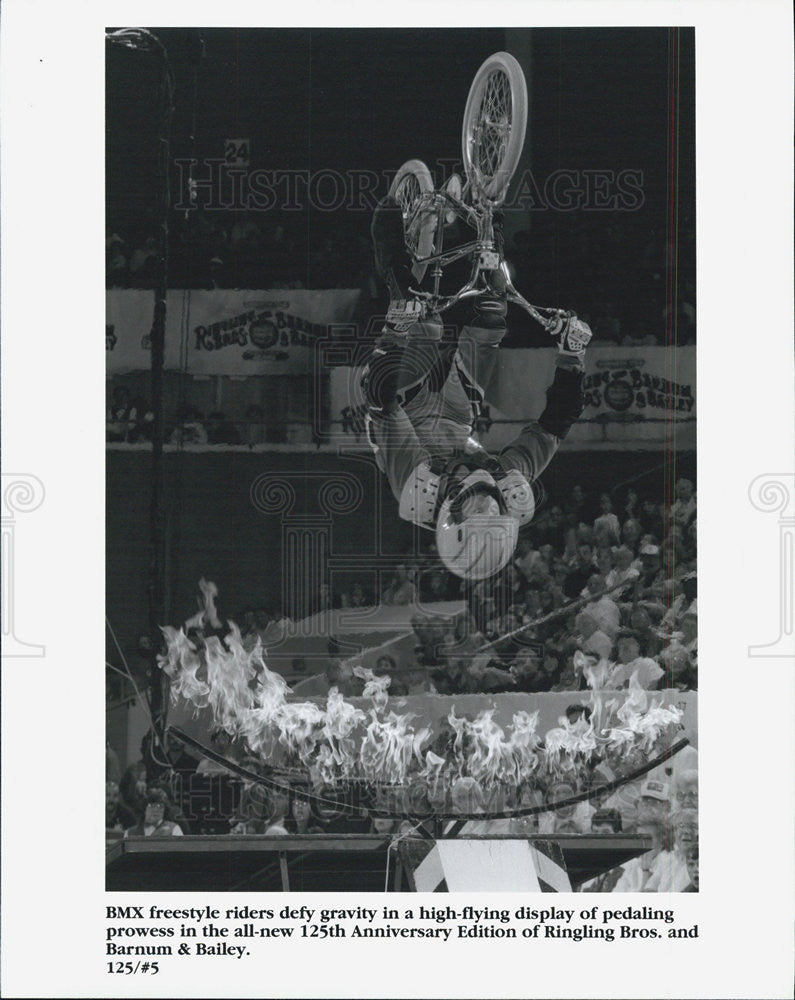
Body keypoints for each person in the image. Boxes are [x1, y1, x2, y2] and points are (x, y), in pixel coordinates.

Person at [362, 198, 591, 583]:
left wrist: (396, 331)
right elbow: (557, 421)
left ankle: (390, 246)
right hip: (455, 418)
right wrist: (573, 354)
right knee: (491, 312)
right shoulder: (508, 483)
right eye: (496, 515)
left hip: (403, 411)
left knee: (424, 327)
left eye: (478, 515)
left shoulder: (418, 490)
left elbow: (382, 403)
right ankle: (490, 216)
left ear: (452, 518)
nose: (488, 506)